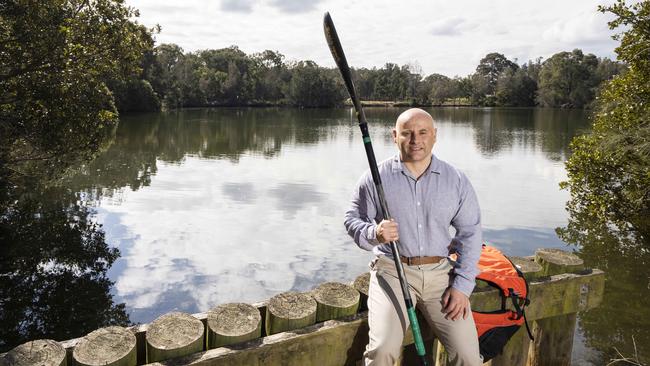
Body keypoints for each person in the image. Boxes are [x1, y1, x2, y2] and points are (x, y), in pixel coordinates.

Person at [344, 108, 483, 366]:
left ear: (434, 136)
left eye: (422, 133)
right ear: (395, 136)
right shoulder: (377, 177)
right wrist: (374, 232)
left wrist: (462, 286)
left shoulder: (456, 180)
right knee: (383, 350)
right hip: (393, 272)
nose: (415, 140)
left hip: (441, 275)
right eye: (407, 133)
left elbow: (471, 234)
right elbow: (352, 219)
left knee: (468, 357)